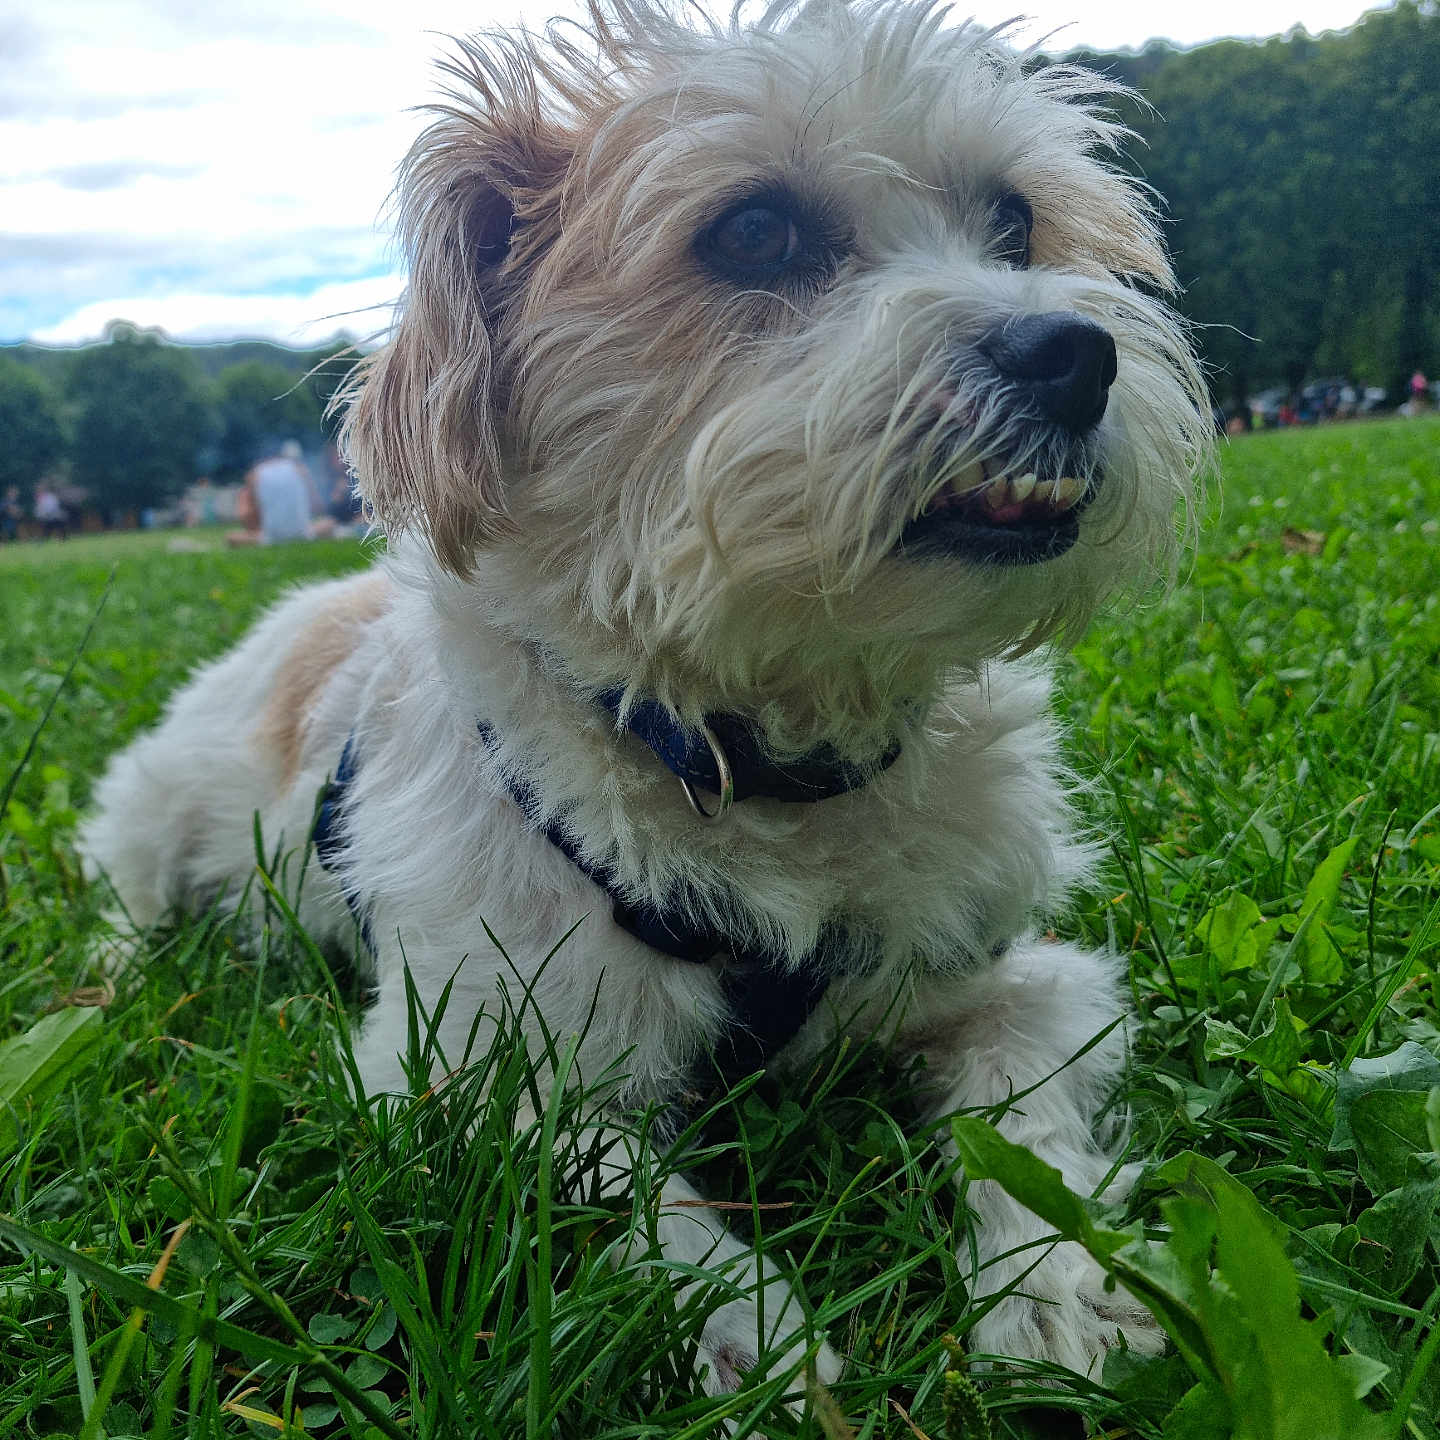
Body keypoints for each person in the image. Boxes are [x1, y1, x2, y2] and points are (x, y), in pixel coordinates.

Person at [228, 440, 313, 546]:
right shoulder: (300, 469)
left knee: (231, 537)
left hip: (271, 536)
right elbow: (315, 505)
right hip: (302, 532)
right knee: (329, 523)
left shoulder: (255, 474)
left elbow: (248, 516)